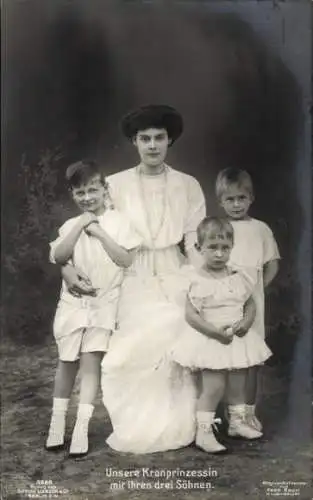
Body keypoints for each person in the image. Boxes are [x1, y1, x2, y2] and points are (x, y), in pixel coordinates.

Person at [62, 105, 206, 453]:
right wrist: (68, 269)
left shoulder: (188, 185)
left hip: (174, 268)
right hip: (128, 272)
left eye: (159, 138)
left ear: (170, 140)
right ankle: (136, 424)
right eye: (145, 138)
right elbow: (89, 232)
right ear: (134, 142)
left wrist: (199, 282)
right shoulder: (114, 185)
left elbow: (194, 241)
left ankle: (185, 423)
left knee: (176, 343)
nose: (153, 145)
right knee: (127, 353)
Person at [46, 160, 141, 457]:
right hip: (73, 303)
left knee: (90, 364)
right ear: (73, 195)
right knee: (66, 361)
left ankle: (81, 428)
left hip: (103, 303)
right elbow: (60, 256)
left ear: (104, 189)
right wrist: (80, 225)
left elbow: (125, 260)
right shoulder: (68, 225)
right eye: (80, 192)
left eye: (92, 190)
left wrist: (98, 231)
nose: (87, 197)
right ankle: (57, 422)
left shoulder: (121, 222)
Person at [169, 217, 272, 453]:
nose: (219, 254)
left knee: (238, 383)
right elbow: (192, 316)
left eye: (225, 248)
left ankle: (237, 423)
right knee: (214, 387)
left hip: (236, 336)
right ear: (199, 248)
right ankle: (203, 432)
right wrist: (214, 333)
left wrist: (246, 323)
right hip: (212, 337)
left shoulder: (238, 275)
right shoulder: (195, 279)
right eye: (212, 248)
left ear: (232, 247)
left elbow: (249, 303)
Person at [216, 168, 280, 431]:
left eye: (241, 198)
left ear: (251, 198)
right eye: (229, 199)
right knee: (227, 354)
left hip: (252, 298)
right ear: (220, 201)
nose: (236, 204)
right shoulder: (219, 228)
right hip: (224, 298)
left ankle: (248, 413)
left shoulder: (261, 229)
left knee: (251, 356)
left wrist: (256, 290)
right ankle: (228, 414)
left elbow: (272, 264)